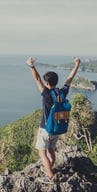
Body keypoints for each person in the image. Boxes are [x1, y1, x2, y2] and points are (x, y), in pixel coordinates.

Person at [26, 56, 81, 184]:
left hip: (45, 129)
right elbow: (70, 79)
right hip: (57, 129)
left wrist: (31, 66)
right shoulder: (62, 93)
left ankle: (51, 176)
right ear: (56, 82)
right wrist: (76, 65)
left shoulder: (46, 93)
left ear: (47, 83)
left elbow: (37, 78)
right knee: (51, 150)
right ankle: (50, 167)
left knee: (42, 153)